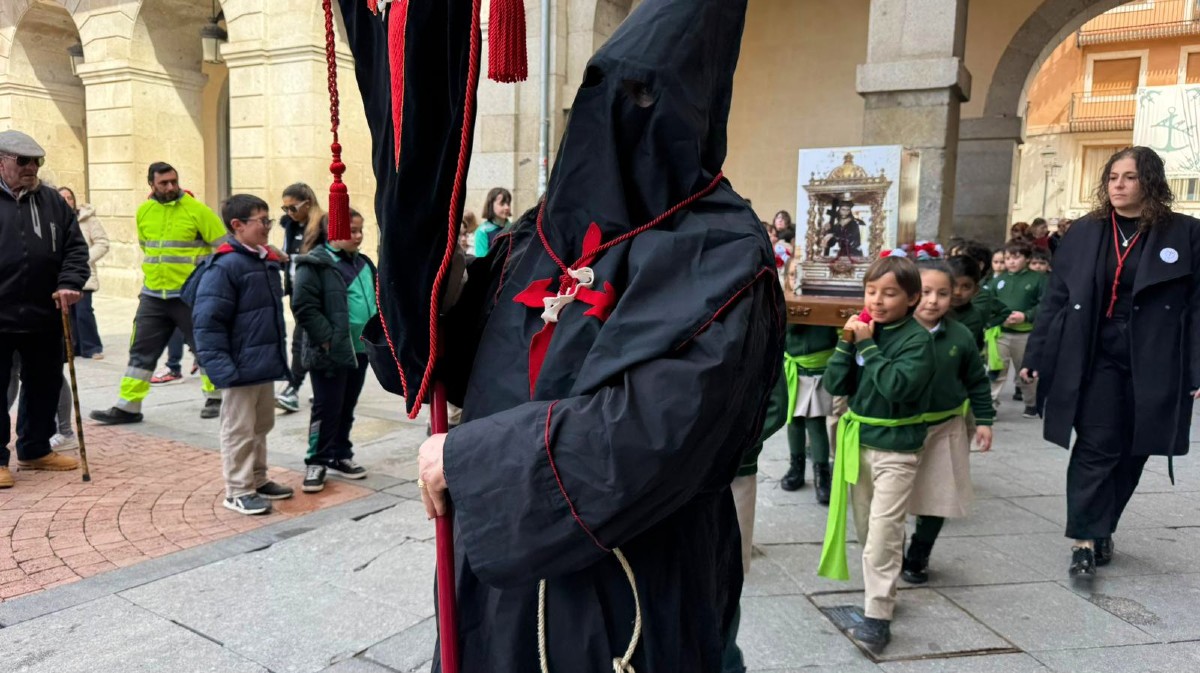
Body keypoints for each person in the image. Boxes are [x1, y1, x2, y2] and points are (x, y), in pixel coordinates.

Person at [362, 0, 786, 669]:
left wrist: (469, 461)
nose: (619, 113)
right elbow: (451, 360)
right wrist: (431, 287)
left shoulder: (726, 253)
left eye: (645, 96)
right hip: (499, 584)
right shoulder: (540, 232)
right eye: (603, 89)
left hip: (632, 586)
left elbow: (659, 431)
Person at [1022, 146, 1200, 579]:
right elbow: (1057, 298)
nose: (1118, 185)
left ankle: (1103, 525)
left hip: (1156, 357)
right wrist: (1036, 354)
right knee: (1096, 445)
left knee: (1135, 450)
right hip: (1095, 354)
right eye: (1112, 177)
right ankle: (1084, 540)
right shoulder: (1086, 231)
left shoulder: (1187, 233)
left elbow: (1197, 307)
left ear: (1150, 182)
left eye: (1130, 177)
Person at [819, 254, 935, 654]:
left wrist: (867, 345)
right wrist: (845, 343)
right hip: (859, 443)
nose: (877, 301)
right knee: (868, 530)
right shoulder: (865, 331)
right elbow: (836, 384)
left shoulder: (917, 340)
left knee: (883, 534)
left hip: (897, 451)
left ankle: (877, 615)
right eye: (871, 292)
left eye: (889, 293)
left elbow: (897, 387)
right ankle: (883, 588)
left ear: (912, 298)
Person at [90, 162, 225, 424]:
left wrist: (210, 285)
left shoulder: (198, 211)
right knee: (140, 350)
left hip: (190, 295)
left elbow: (222, 248)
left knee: (205, 347)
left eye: (174, 181)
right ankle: (128, 407)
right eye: (164, 183)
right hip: (153, 295)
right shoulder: (144, 211)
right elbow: (148, 248)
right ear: (151, 184)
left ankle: (216, 397)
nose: (171, 186)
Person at [189, 194, 294, 515]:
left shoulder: (262, 260)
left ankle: (257, 479)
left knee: (260, 425)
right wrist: (221, 368)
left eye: (268, 220)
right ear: (237, 225)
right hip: (237, 367)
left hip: (261, 362)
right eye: (262, 221)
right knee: (239, 430)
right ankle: (237, 490)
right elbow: (208, 323)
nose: (268, 227)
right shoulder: (225, 266)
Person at [0, 129, 85, 488]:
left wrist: (70, 282)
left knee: (45, 384)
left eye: (37, 161)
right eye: (23, 161)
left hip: (44, 313)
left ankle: (35, 450)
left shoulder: (52, 201)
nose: (32, 167)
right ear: (1, 162)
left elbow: (75, 249)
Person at [902, 261, 994, 585]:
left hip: (946, 427)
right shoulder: (894, 330)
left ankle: (920, 552)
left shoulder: (960, 335)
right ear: (911, 293)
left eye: (942, 293)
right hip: (900, 429)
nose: (933, 300)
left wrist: (984, 420)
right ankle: (891, 548)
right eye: (925, 292)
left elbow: (977, 380)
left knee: (938, 495)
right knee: (892, 497)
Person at [292, 210, 375, 492]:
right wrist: (327, 340)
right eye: (352, 230)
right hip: (329, 353)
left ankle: (340, 453)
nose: (358, 236)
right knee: (327, 408)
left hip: (360, 350)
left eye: (361, 230)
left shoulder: (364, 263)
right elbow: (304, 306)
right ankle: (316, 460)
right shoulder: (316, 263)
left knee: (347, 406)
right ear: (333, 231)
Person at [778, 259, 838, 503]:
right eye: (794, 274)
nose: (799, 280)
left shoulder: (826, 302)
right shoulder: (783, 302)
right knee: (793, 420)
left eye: (806, 275)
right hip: (791, 367)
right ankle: (796, 467)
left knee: (815, 421)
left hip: (817, 369)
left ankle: (822, 473)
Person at [276, 183, 327, 413]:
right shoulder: (290, 226)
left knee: (301, 340)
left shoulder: (323, 224)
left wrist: (291, 259)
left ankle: (293, 388)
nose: (289, 213)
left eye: (293, 208)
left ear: (307, 203)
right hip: (296, 291)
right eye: (285, 208)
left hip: (317, 294)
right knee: (312, 340)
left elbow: (328, 258)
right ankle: (319, 384)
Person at [985, 240, 1045, 417]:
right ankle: (991, 404)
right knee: (996, 370)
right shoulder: (998, 280)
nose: (1011, 262)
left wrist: (1026, 315)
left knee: (1025, 370)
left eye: (1016, 257)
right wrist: (998, 318)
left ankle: (1031, 403)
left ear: (1027, 259)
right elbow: (988, 302)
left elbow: (1045, 304)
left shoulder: (1038, 279)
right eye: (1008, 258)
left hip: (1025, 334)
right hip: (1001, 333)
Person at [59, 186, 108, 360]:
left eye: (69, 197)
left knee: (83, 311)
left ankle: (92, 347)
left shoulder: (88, 220)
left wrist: (83, 258)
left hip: (83, 274)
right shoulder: (53, 219)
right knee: (67, 314)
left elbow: (102, 243)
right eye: (62, 198)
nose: (67, 201)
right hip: (62, 274)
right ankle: (72, 348)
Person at [472, 186, 512, 258]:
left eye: (508, 204)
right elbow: (481, 259)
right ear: (491, 205)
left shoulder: (514, 228)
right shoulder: (482, 231)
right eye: (502, 204)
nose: (507, 207)